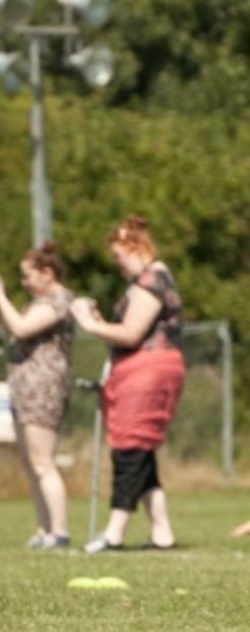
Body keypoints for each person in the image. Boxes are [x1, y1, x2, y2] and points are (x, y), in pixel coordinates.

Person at [70, 215, 185, 553]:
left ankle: (114, 532)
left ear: (134, 248)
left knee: (130, 448)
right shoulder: (147, 281)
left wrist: (89, 325)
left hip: (149, 369)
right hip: (139, 369)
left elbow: (132, 333)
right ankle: (162, 531)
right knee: (140, 448)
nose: (117, 265)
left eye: (119, 257)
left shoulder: (152, 280)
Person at [0, 241, 76, 550]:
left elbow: (21, 329)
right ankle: (44, 528)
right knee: (31, 462)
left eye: (28, 276)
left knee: (43, 460)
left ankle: (59, 531)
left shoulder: (59, 300)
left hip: (43, 389)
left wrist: (0, 297)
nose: (24, 282)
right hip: (23, 387)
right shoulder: (39, 302)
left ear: (47, 273)